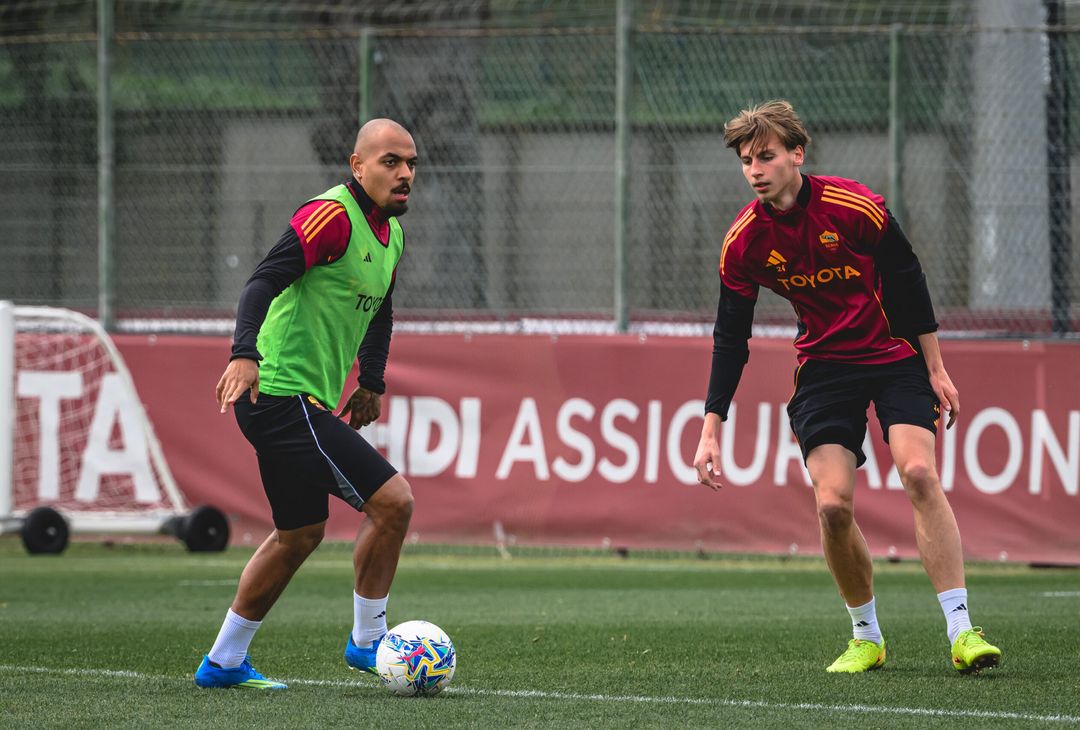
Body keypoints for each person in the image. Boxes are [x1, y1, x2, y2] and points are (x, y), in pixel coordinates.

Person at [693, 100, 1002, 674]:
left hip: (895, 355)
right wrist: (711, 427)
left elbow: (908, 276)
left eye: (766, 156)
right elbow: (730, 336)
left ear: (797, 154)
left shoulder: (852, 205)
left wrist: (935, 367)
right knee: (833, 505)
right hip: (825, 368)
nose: (755, 170)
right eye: (746, 161)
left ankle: (962, 630)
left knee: (918, 472)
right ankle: (867, 637)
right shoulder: (744, 242)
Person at [194, 118, 418, 690]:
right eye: (391, 161)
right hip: (277, 392)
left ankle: (223, 662)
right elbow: (262, 281)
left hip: (300, 398)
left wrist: (371, 381)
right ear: (357, 166)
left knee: (299, 534)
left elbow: (380, 310)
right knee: (394, 503)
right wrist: (243, 353)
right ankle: (368, 641)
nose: (405, 174)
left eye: (411, 164)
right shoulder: (330, 215)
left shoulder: (391, 235)